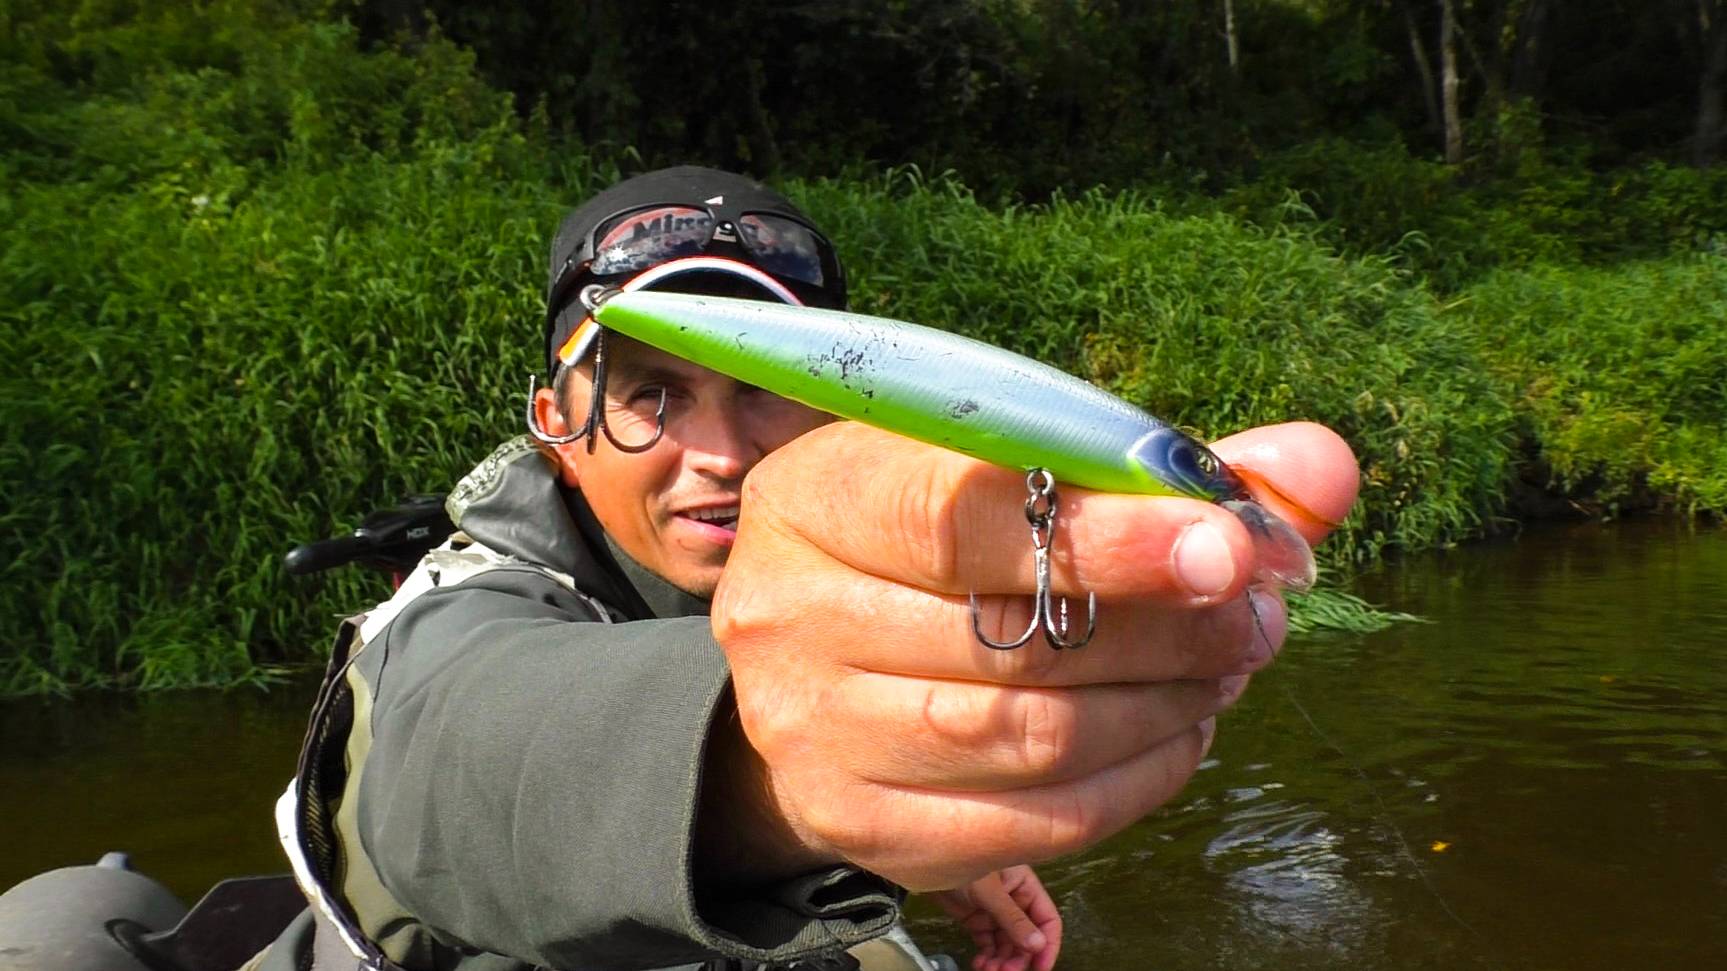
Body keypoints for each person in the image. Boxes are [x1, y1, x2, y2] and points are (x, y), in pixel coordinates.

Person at [250, 166, 1360, 971]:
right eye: (649, 394)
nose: (719, 453)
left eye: (766, 389)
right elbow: (445, 768)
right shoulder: (459, 611)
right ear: (558, 427)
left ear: (842, 415)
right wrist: (772, 770)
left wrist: (921, 820)